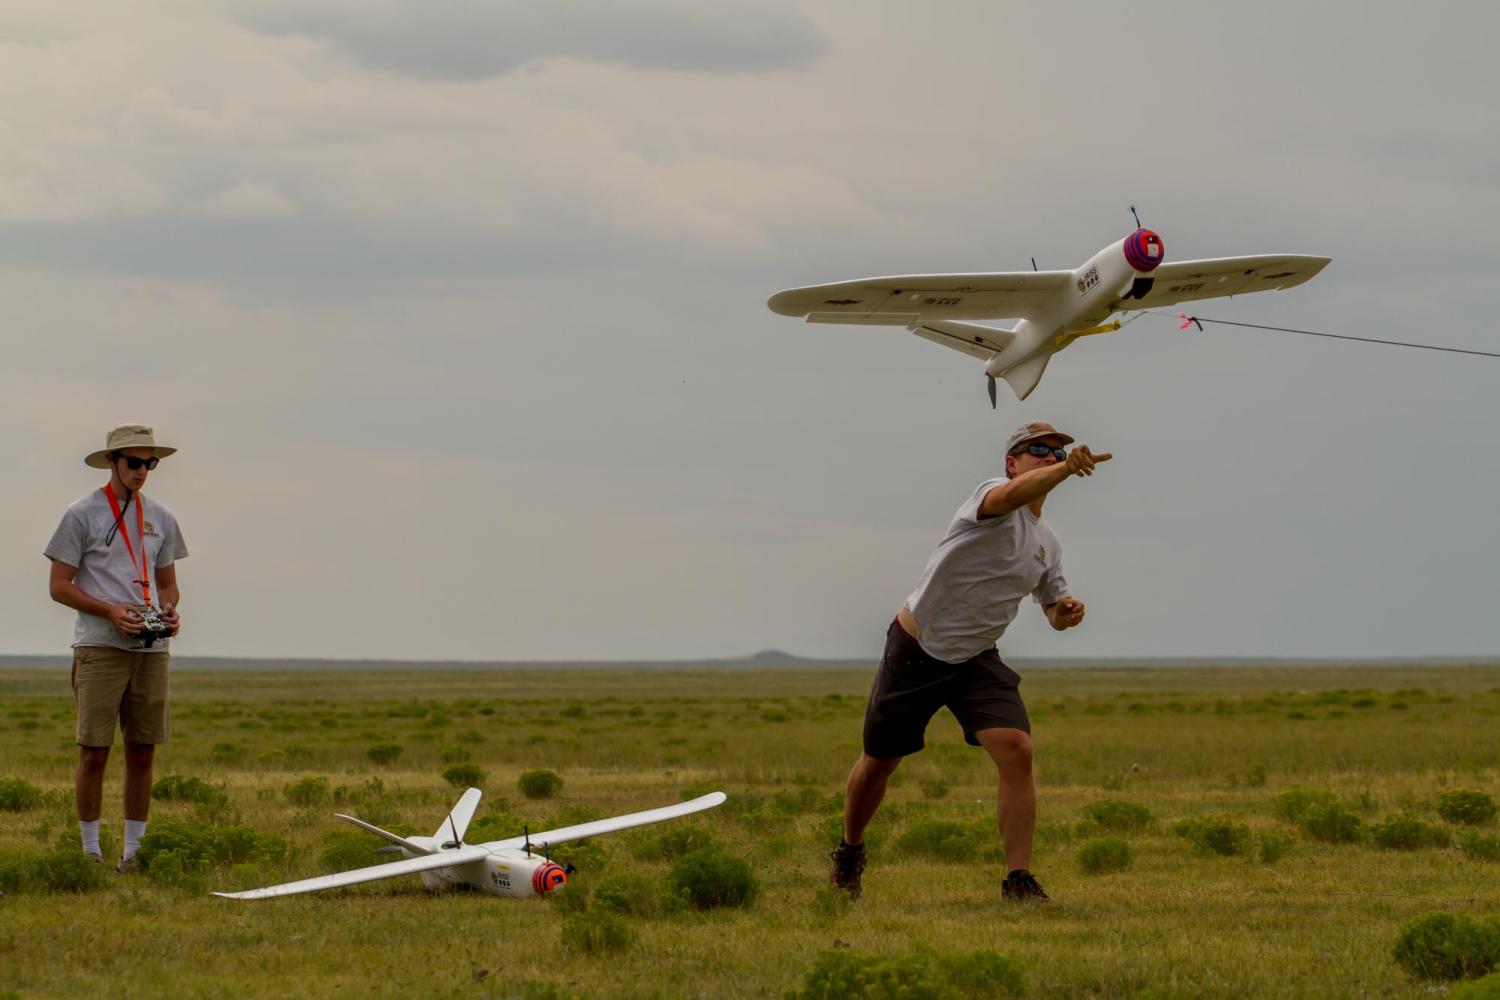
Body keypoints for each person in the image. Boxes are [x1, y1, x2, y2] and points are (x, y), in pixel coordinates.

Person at [829, 421, 1110, 902]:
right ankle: (850, 852)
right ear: (1011, 463)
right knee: (879, 763)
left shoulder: (1048, 544)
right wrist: (1065, 469)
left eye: (1056, 451)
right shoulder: (991, 498)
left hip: (977, 658)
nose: (1048, 456)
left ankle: (1018, 880)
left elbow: (1053, 610)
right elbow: (1011, 498)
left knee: (1017, 750)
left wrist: (1066, 613)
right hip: (917, 649)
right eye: (1036, 450)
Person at [45, 425, 188, 872]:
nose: (142, 471)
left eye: (150, 463)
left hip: (150, 648)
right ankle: (90, 853)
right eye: (134, 462)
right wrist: (110, 612)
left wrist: (168, 612)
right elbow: (58, 586)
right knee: (94, 750)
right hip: (99, 646)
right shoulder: (81, 514)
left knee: (143, 749)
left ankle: (135, 853)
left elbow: (169, 585)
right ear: (112, 461)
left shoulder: (161, 517)